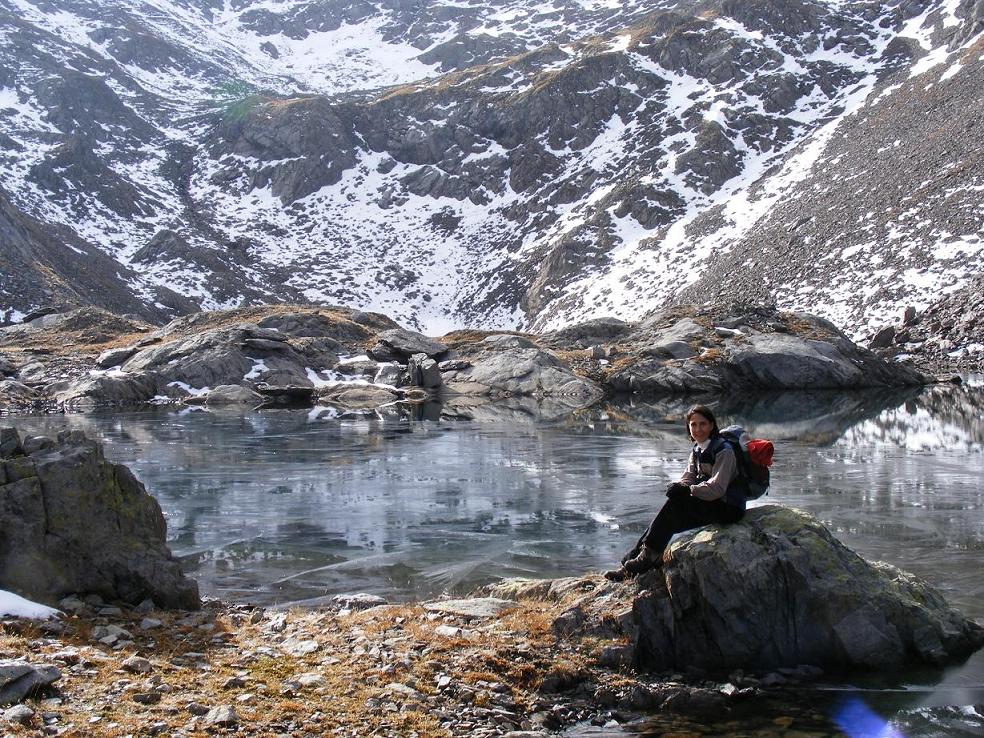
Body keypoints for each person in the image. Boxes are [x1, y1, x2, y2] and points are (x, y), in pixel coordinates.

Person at [604, 404, 747, 582]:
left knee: (674, 507)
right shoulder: (697, 449)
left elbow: (717, 489)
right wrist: (679, 487)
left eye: (702, 424)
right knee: (672, 509)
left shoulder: (724, 451)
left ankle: (645, 558)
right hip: (712, 504)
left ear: (711, 425)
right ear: (688, 427)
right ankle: (636, 560)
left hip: (729, 507)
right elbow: (688, 477)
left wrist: (688, 490)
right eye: (693, 425)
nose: (697, 429)